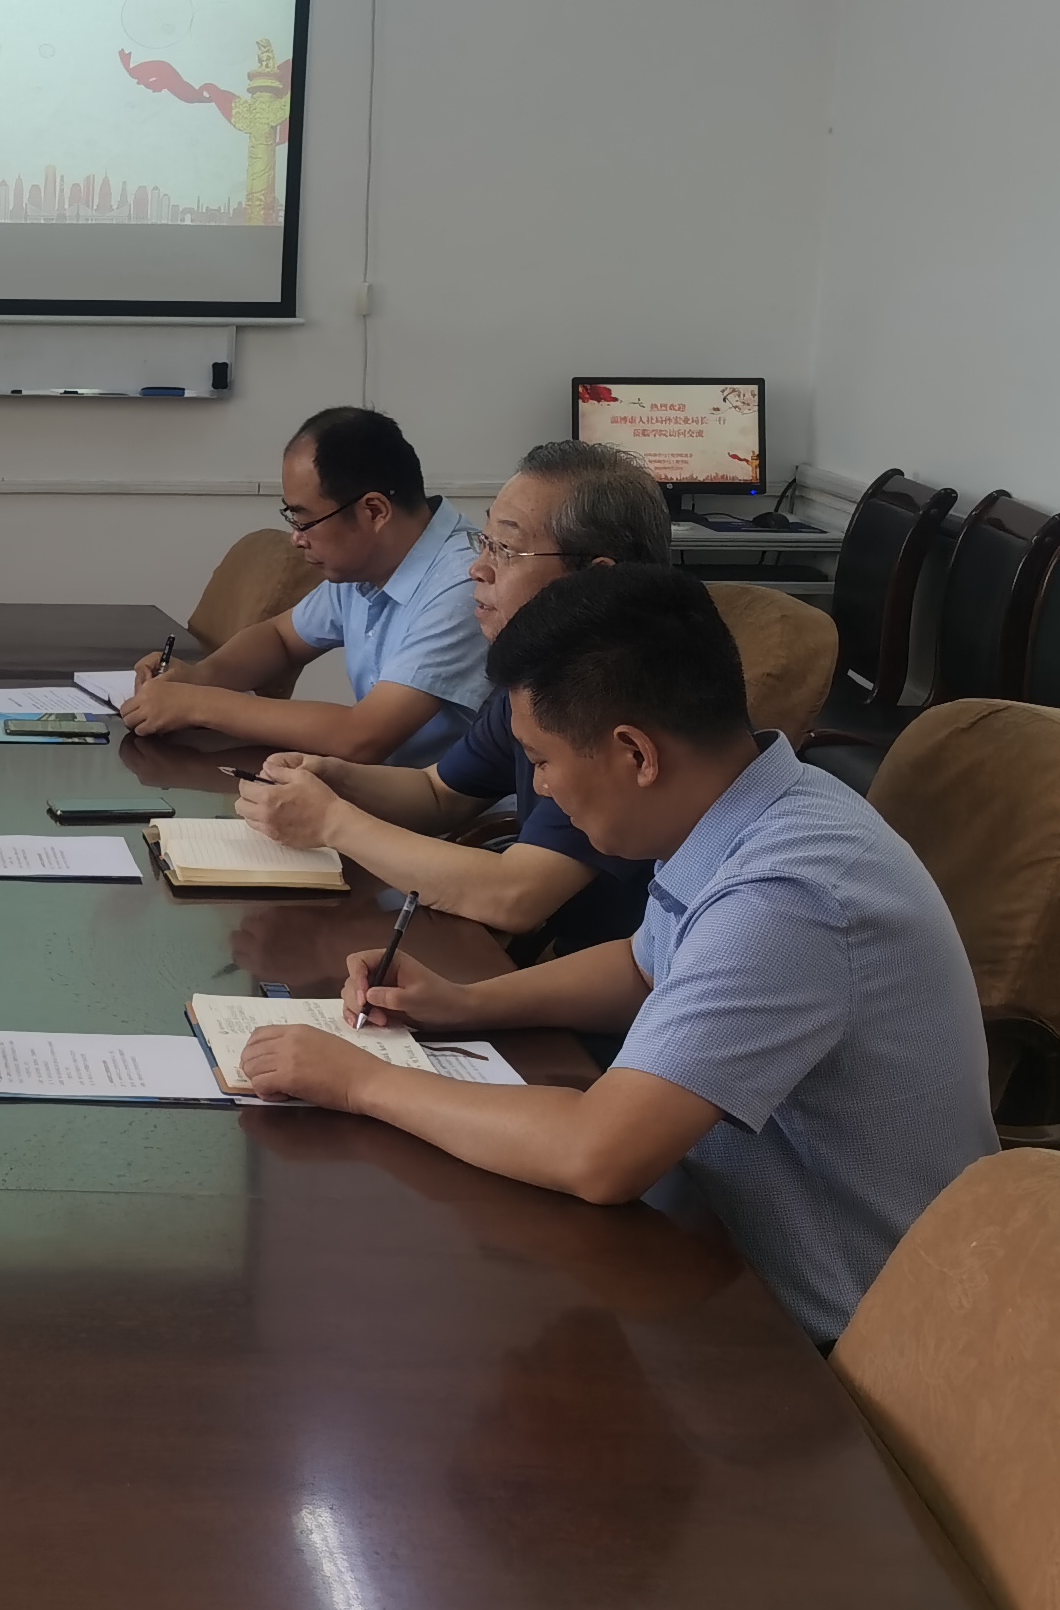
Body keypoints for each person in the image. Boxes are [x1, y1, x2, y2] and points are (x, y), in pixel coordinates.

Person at [229, 565, 995, 1344]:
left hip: (834, 1336)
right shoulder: (749, 806)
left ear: (635, 753)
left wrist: (360, 1082)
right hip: (711, 1237)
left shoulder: (788, 895)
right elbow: (644, 966)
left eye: (543, 760)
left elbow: (600, 1154)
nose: (540, 789)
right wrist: (464, 1004)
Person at [234, 439, 671, 956]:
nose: (477, 570)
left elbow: (515, 895)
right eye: (484, 543)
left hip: (625, 983)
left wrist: (331, 821)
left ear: (595, 578)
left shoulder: (620, 699)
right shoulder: (538, 673)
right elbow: (440, 794)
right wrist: (334, 777)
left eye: (506, 551)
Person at [123, 407, 486, 766]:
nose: (296, 538)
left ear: (374, 511)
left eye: (304, 520)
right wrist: (200, 677)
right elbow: (281, 638)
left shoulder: (465, 583)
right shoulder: (368, 562)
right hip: (385, 785)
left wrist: (198, 704)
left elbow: (362, 737)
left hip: (442, 802)